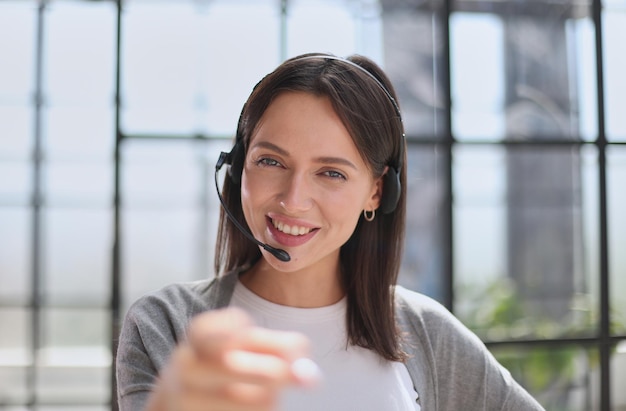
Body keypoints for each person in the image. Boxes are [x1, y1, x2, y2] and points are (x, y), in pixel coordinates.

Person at [116, 52, 545, 411]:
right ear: (238, 165)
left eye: (331, 173)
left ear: (376, 193)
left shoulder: (425, 332)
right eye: (271, 161)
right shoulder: (165, 325)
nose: (293, 199)